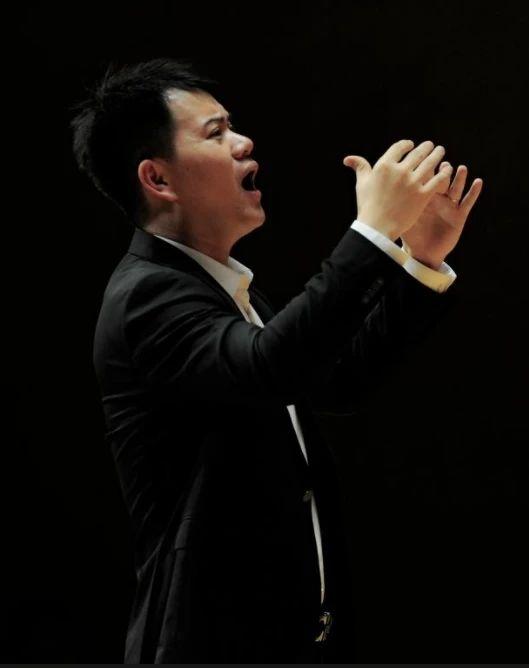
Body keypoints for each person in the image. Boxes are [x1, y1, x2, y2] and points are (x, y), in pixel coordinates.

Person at [71, 58, 482, 663]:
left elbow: (335, 381)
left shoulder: (223, 288)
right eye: (216, 133)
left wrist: (420, 260)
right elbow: (272, 367)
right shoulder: (145, 296)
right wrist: (371, 232)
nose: (244, 142)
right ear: (157, 178)